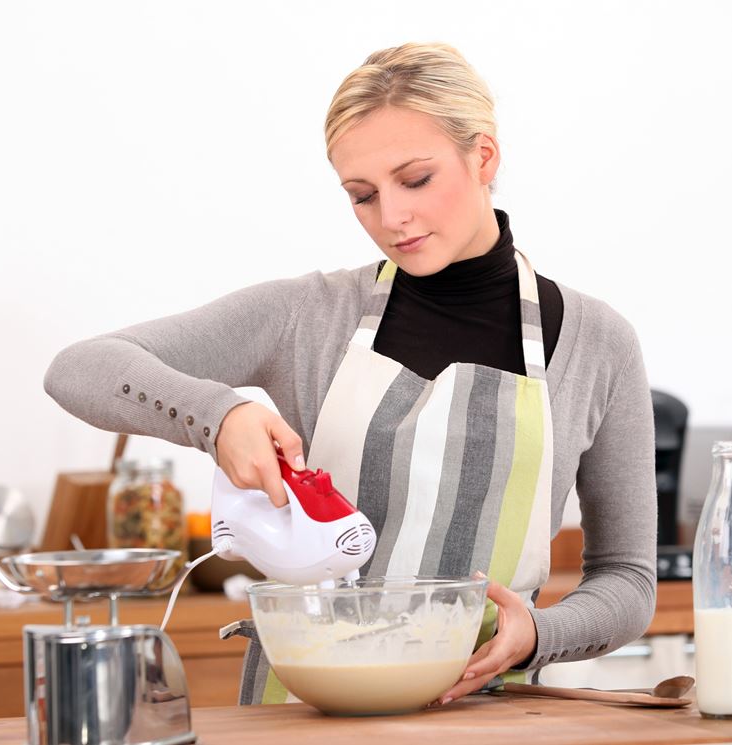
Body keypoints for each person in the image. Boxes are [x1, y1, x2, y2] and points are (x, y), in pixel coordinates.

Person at [44, 42, 657, 706]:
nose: (389, 218)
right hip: (300, 712)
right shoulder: (306, 314)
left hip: (485, 716)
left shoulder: (597, 342)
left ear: (483, 156)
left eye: (415, 179)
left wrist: (536, 632)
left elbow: (626, 578)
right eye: (361, 195)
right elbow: (80, 369)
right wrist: (219, 415)